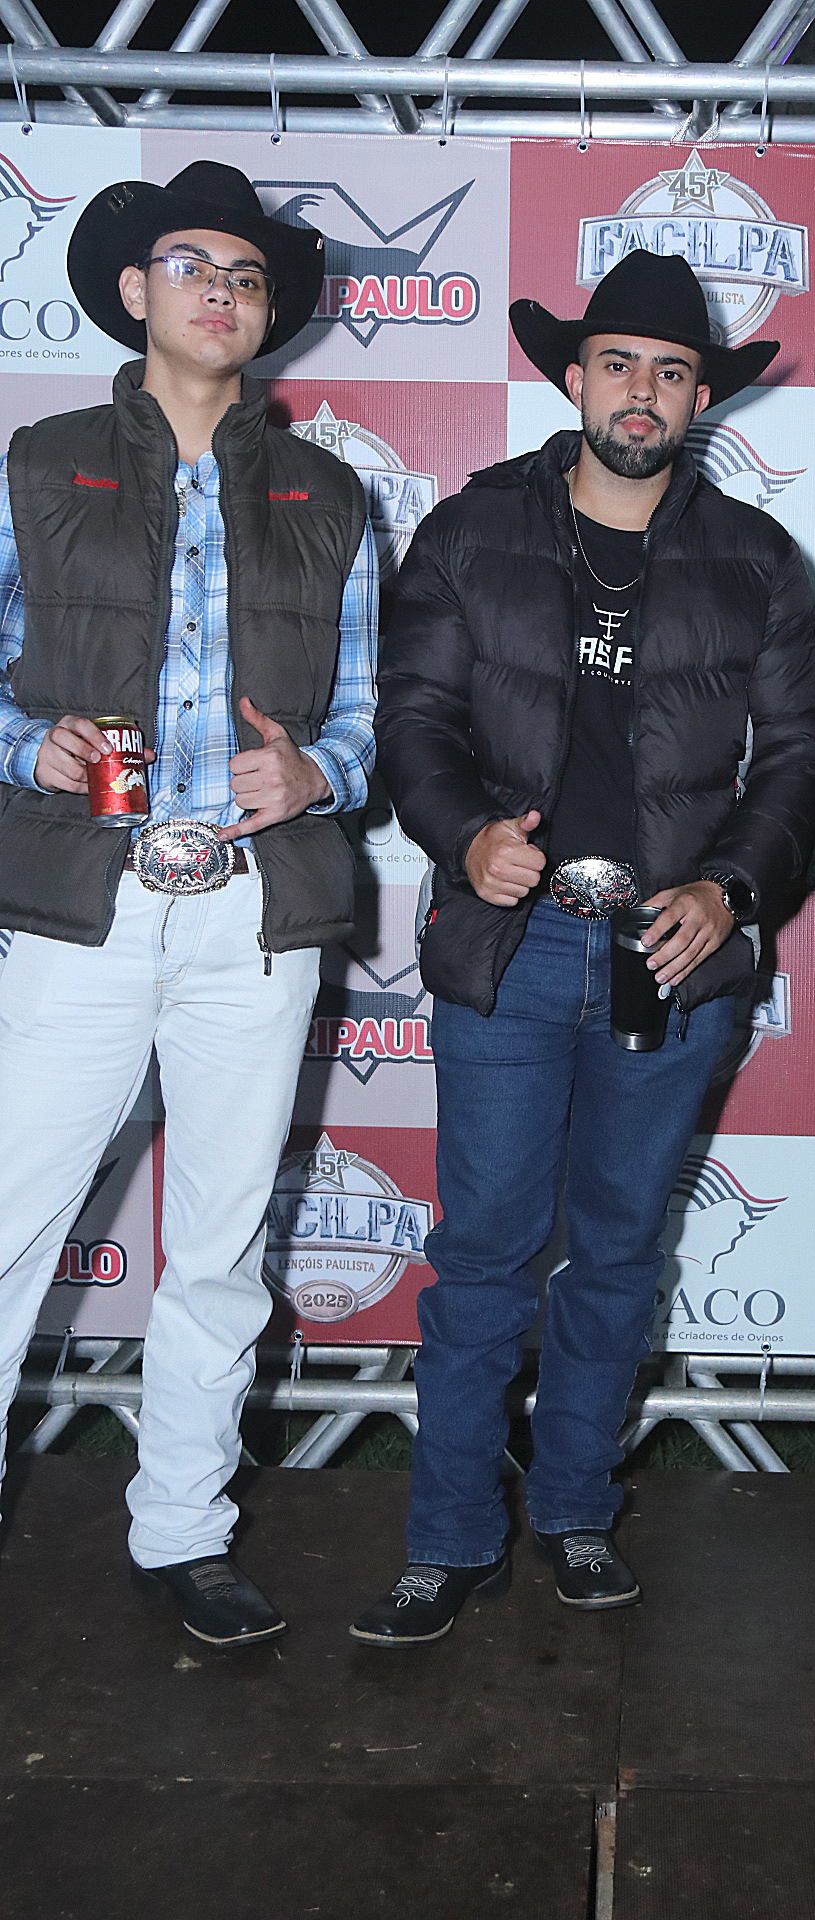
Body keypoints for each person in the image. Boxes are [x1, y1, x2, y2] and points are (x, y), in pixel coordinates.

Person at [354, 249, 815, 1644]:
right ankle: (447, 1540)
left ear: (700, 399)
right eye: (619, 363)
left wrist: (731, 890)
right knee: (484, 1257)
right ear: (573, 378)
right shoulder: (472, 528)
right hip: (510, 944)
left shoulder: (757, 556)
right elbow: (411, 719)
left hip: (666, 956)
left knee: (619, 1253)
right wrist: (464, 838)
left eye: (671, 373)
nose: (643, 391)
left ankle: (574, 1513)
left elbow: (803, 756)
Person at [0, 163, 378, 1647]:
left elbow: (369, 710)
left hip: (249, 916)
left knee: (218, 1248)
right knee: (9, 1224)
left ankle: (184, 1533)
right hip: (78, 905)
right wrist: (23, 744)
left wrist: (323, 773)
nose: (220, 290)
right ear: (132, 290)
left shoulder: (329, 494)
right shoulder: (39, 464)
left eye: (247, 275)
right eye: (191, 264)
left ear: (268, 314)